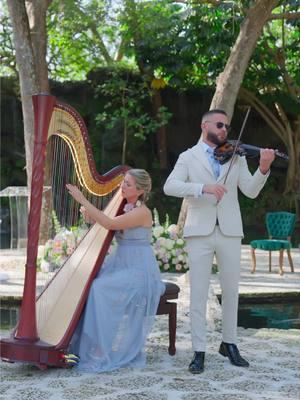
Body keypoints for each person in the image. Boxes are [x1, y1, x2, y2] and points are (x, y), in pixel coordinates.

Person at [163, 109, 275, 373]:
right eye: (220, 124)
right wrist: (203, 188)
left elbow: (249, 191)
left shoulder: (235, 156)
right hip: (199, 232)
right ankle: (198, 351)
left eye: (227, 126)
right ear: (205, 125)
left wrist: (264, 167)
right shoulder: (188, 157)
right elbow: (170, 186)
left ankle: (230, 343)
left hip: (230, 230)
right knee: (199, 293)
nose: (225, 130)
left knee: (231, 291)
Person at [66, 169, 166, 372]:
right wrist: (91, 217)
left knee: (100, 288)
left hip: (139, 269)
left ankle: (101, 349)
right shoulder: (127, 207)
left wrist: (82, 199)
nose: (122, 186)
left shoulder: (142, 212)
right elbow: (109, 225)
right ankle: (80, 344)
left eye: (128, 184)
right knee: (89, 282)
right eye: (124, 183)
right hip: (122, 263)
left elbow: (110, 223)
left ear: (140, 190)